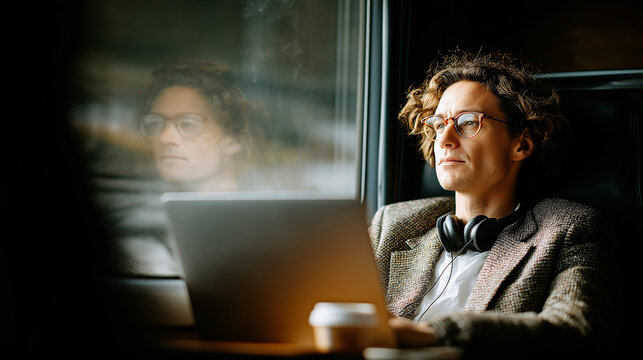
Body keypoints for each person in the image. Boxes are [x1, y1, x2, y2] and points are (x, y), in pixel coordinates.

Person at [369, 50, 613, 356]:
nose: (444, 138)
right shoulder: (392, 222)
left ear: (521, 144)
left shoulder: (570, 229)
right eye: (438, 123)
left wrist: (430, 333)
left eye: (468, 122)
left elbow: (575, 329)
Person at [140, 58, 265, 192]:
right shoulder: (144, 206)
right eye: (156, 123)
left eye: (188, 124)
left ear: (233, 138)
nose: (164, 138)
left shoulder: (266, 210)